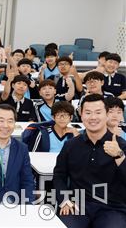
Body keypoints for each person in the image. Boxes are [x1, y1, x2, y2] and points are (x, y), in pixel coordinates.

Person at [54, 94, 126, 227]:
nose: (93, 117)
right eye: (88, 112)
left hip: (112, 208)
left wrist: (119, 156)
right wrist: (64, 200)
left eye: (98, 112)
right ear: (81, 115)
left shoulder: (121, 146)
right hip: (77, 205)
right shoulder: (71, 145)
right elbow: (59, 175)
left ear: (106, 115)